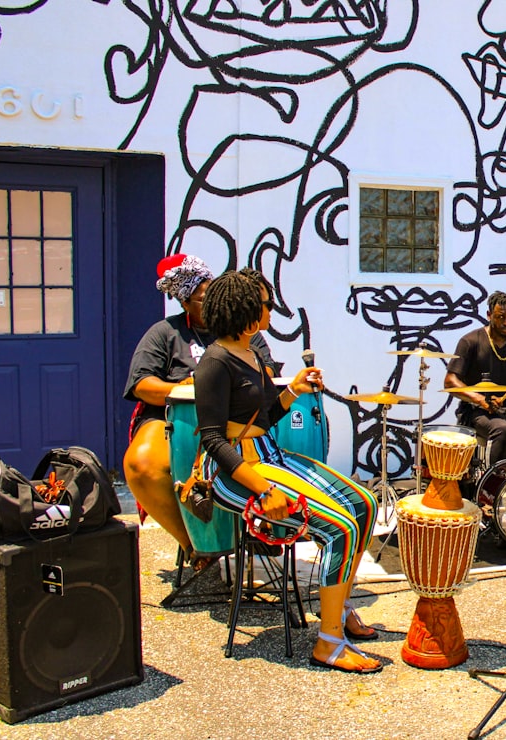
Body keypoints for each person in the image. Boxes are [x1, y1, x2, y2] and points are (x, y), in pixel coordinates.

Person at [196, 270, 383, 672]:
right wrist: (263, 489)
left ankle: (338, 606)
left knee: (364, 504)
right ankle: (329, 643)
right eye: (264, 304)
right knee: (341, 527)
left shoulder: (252, 352)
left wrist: (293, 389)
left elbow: (264, 416)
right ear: (245, 312)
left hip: (268, 453)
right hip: (236, 470)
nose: (270, 309)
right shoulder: (214, 362)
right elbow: (213, 439)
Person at [122, 254, 276, 571]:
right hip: (174, 417)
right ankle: (194, 543)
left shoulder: (246, 328)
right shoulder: (165, 333)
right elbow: (142, 384)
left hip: (235, 422)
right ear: (184, 301)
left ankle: (262, 529)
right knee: (141, 465)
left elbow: (269, 372)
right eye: (201, 298)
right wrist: (186, 388)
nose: (208, 303)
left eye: (212, 295)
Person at [444, 291, 506, 467]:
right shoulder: (470, 342)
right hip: (476, 411)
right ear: (489, 315)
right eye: (501, 317)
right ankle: (497, 482)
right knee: (503, 428)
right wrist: (480, 399)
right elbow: (450, 381)